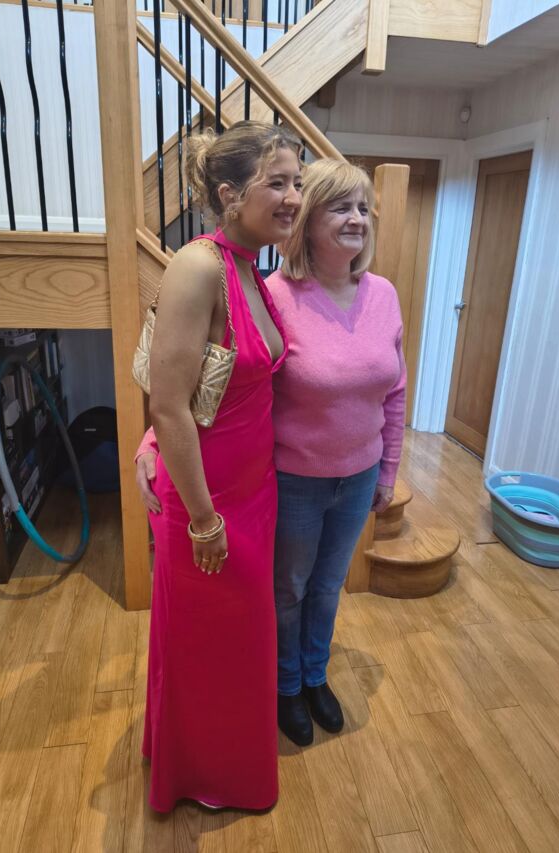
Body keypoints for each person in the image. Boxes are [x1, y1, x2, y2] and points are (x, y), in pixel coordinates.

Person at [137, 158, 406, 748]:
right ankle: (285, 686)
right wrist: (152, 439)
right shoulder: (274, 293)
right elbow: (211, 380)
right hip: (293, 479)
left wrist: (388, 469)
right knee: (289, 589)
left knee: (328, 586)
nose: (357, 219)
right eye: (341, 207)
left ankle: (314, 675)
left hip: (359, 475)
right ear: (309, 221)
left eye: (363, 208)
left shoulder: (383, 295)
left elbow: (395, 391)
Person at [141, 120, 302, 812]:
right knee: (207, 644)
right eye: (278, 182)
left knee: (238, 644)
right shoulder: (198, 266)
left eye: (298, 183)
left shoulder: (250, 269)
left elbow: (218, 385)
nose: (294, 197)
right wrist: (204, 519)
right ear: (230, 194)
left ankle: (226, 762)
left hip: (253, 492)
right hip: (205, 503)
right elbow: (167, 405)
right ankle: (202, 773)